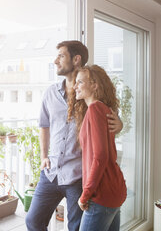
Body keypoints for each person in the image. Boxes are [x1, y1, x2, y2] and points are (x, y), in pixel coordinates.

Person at [25, 41, 123, 231]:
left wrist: (119, 124)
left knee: (76, 228)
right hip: (51, 172)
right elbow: (44, 126)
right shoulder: (50, 93)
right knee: (33, 221)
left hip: (78, 175)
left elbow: (110, 118)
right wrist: (43, 156)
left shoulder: (90, 94)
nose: (55, 61)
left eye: (61, 56)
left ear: (76, 59)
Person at [67, 65, 127, 231]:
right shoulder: (102, 109)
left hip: (101, 194)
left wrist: (85, 195)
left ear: (94, 85)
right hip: (114, 190)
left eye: (80, 82)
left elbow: (100, 157)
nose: (75, 86)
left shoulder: (94, 109)